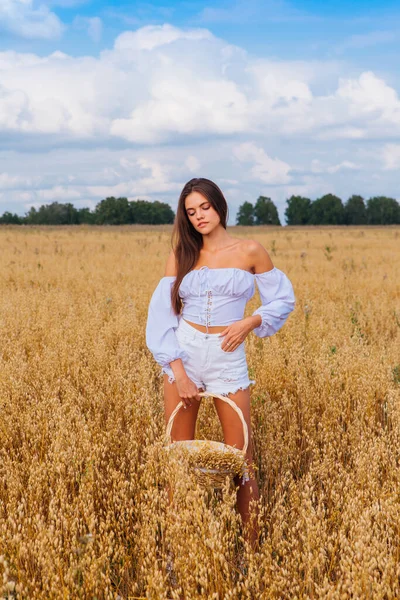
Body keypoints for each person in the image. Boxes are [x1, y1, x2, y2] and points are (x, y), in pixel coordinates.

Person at [146, 177, 295, 550]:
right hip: (185, 352)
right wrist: (178, 373)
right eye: (190, 211)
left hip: (229, 357)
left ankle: (250, 552)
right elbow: (162, 318)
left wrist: (250, 321)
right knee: (177, 458)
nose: (198, 216)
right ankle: (176, 553)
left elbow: (282, 300)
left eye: (204, 207)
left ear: (219, 205)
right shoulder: (181, 255)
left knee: (242, 460)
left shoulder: (251, 252)